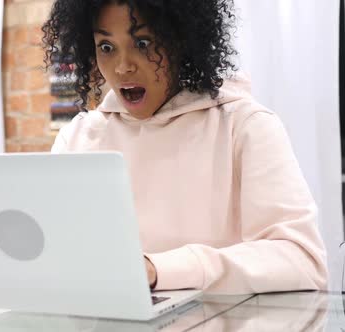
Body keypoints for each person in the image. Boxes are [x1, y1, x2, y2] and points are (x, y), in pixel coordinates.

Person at [42, 0, 328, 293]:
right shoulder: (77, 137)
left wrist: (158, 270)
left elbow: (302, 262)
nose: (123, 66)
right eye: (106, 47)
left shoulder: (245, 126)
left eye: (143, 42)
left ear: (181, 40)